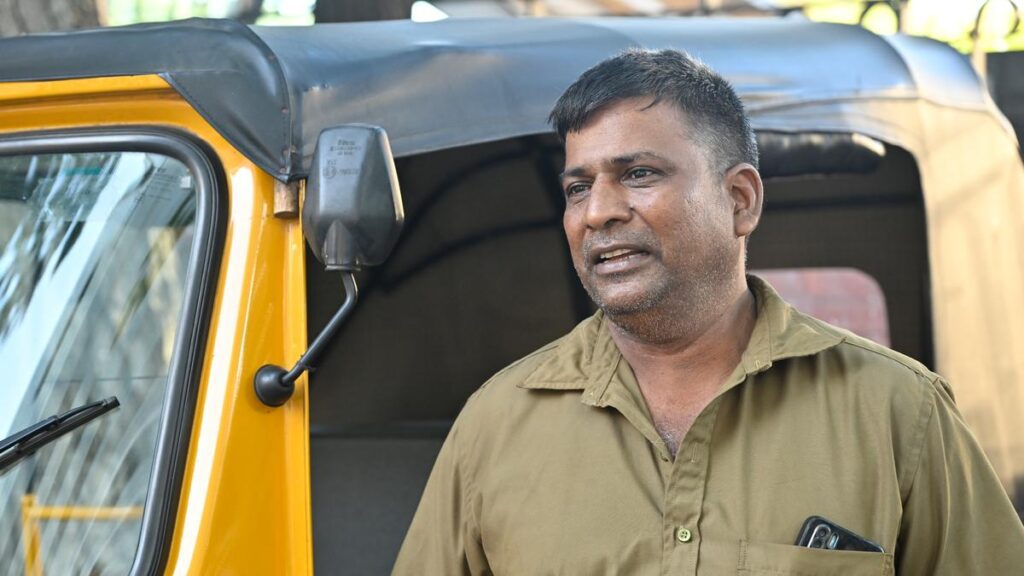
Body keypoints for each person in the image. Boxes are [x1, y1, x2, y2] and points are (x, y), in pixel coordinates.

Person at [392, 49, 1024, 575]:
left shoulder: (897, 412)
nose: (597, 212)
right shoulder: (494, 426)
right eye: (578, 188)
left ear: (740, 200)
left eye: (637, 174)